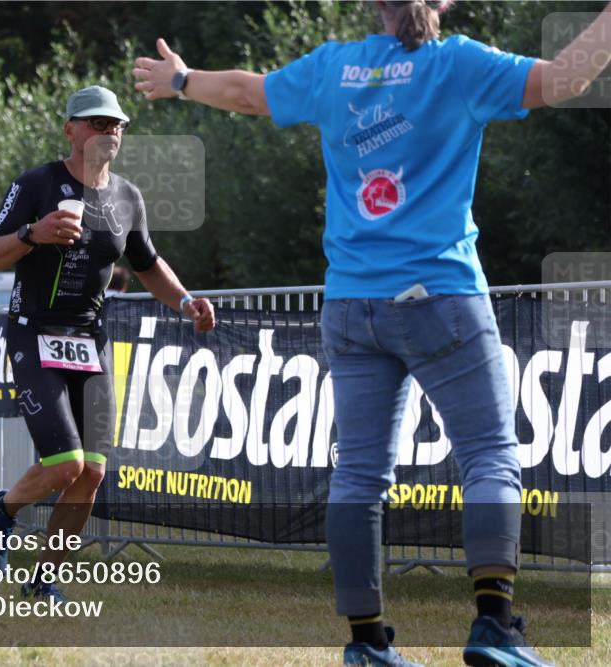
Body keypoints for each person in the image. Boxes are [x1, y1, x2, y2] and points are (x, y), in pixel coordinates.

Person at [134, 1, 610, 666]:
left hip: (351, 302)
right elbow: (565, 80)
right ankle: (495, 625)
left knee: (358, 474)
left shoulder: (335, 68)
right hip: (440, 294)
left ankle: (366, 642)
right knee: (490, 456)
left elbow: (250, 92)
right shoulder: (457, 64)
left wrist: (183, 80)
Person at [0, 84, 215, 602]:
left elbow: (148, 266)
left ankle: (44, 580)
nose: (109, 132)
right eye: (97, 123)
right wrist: (31, 235)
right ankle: (0, 510)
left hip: (90, 339)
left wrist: (186, 301)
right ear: (71, 129)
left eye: (117, 125)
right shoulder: (36, 184)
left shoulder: (127, 197)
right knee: (66, 465)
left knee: (93, 473)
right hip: (34, 333)